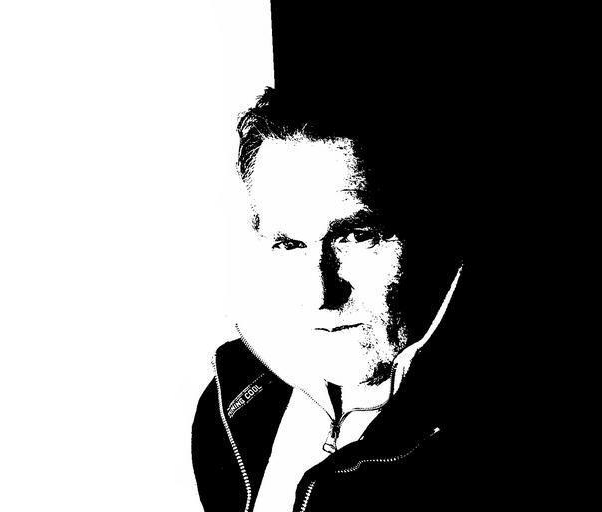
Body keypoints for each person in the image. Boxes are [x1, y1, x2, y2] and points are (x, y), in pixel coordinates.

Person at [191, 87, 484, 512]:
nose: (321, 293)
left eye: (357, 236)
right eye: (290, 244)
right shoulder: (233, 401)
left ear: (433, 231)